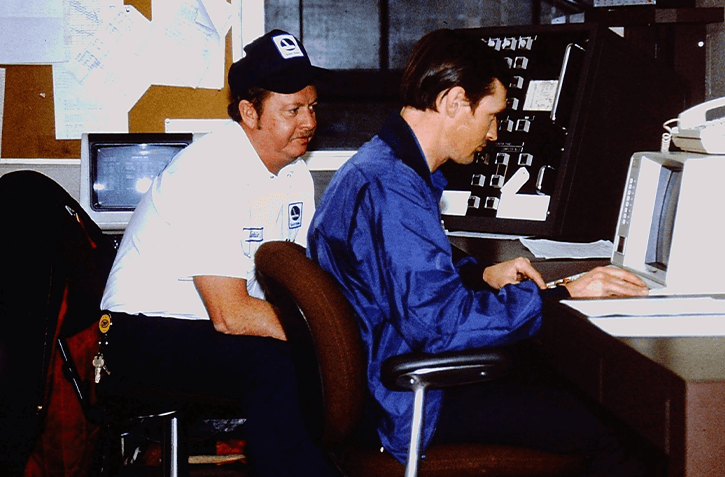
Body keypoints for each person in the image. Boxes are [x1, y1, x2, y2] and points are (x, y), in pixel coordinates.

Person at [307, 28, 659, 476]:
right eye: (492, 115)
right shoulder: (390, 189)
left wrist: (479, 276)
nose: (493, 133)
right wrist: (562, 295)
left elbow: (408, 268)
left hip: (389, 375)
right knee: (623, 425)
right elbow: (441, 328)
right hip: (410, 400)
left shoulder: (380, 166)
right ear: (454, 102)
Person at [100, 30, 337, 477]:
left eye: (311, 107)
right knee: (279, 364)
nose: (308, 122)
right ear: (249, 112)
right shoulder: (210, 170)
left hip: (207, 325)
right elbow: (231, 315)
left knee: (319, 360)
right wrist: (329, 331)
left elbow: (293, 285)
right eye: (291, 110)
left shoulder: (294, 176)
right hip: (141, 333)